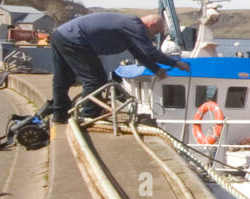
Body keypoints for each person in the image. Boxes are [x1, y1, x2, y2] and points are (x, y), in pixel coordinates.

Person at [50, 12, 190, 122]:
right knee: (95, 80)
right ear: (151, 25)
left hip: (61, 35)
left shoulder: (129, 27)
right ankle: (89, 114)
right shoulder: (135, 26)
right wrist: (176, 63)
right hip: (75, 39)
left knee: (62, 78)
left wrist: (156, 70)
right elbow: (150, 52)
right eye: (156, 32)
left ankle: (59, 114)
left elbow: (139, 53)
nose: (154, 36)